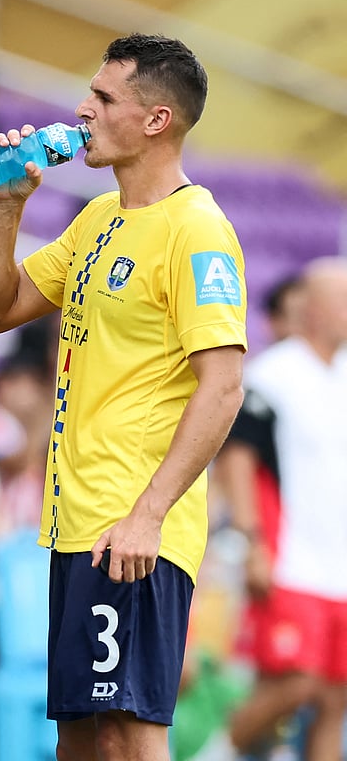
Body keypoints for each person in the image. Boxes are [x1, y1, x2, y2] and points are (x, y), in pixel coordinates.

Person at [0, 33, 248, 761]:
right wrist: (7, 206)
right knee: (81, 738)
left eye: (102, 98)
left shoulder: (197, 230)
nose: (81, 111)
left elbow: (223, 387)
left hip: (132, 530)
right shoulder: (98, 220)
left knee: (126, 733)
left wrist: (148, 516)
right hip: (76, 525)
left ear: (156, 119)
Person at [195, 259, 347, 761]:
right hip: (290, 560)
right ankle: (212, 754)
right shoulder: (275, 373)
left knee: (332, 699)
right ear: (317, 307)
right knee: (294, 684)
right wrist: (251, 538)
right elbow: (238, 454)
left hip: (337, 564)